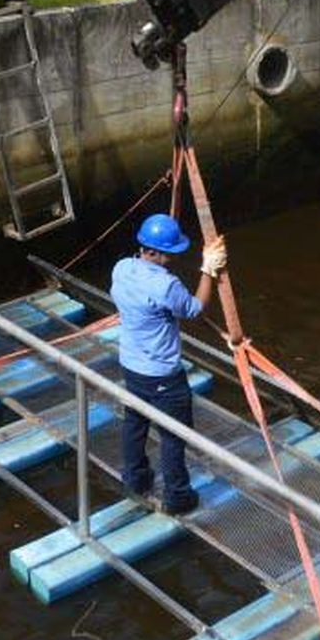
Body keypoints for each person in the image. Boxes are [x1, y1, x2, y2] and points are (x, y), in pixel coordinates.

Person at [111, 213, 240, 515]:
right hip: (163, 375)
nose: (172, 258)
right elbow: (194, 309)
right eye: (169, 253)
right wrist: (208, 269)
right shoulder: (167, 286)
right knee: (174, 435)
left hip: (131, 364)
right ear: (156, 251)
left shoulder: (122, 268)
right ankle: (178, 496)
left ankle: (135, 479)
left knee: (135, 423)